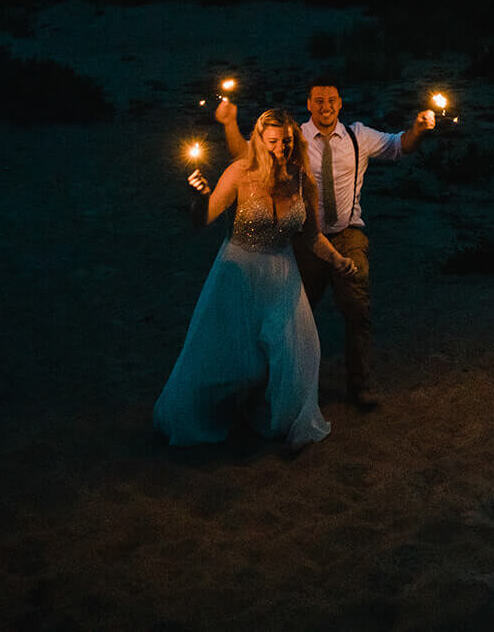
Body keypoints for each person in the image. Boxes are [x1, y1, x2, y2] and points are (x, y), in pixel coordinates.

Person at [218, 77, 434, 410]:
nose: (326, 106)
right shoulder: (294, 138)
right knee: (289, 315)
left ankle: (359, 387)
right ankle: (275, 386)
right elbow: (247, 156)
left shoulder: (357, 136)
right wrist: (230, 124)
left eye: (331, 100)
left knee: (358, 308)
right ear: (308, 104)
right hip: (304, 237)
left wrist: (419, 127)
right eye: (318, 100)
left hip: (349, 233)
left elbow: (400, 145)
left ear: (340, 102)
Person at [153, 108, 358, 451]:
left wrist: (337, 259)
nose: (282, 147)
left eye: (287, 140)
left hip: (282, 275)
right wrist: (198, 197)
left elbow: (310, 236)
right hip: (238, 272)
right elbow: (203, 220)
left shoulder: (301, 179)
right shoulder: (238, 173)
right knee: (234, 358)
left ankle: (279, 419)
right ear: (259, 141)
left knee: (294, 352)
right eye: (274, 141)